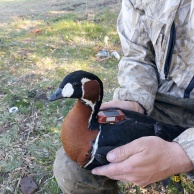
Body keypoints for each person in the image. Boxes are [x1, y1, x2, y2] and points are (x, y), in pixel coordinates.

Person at [53, 0, 194, 193]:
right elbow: (137, 54)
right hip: (163, 100)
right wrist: (135, 100)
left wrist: (184, 152)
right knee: (70, 169)